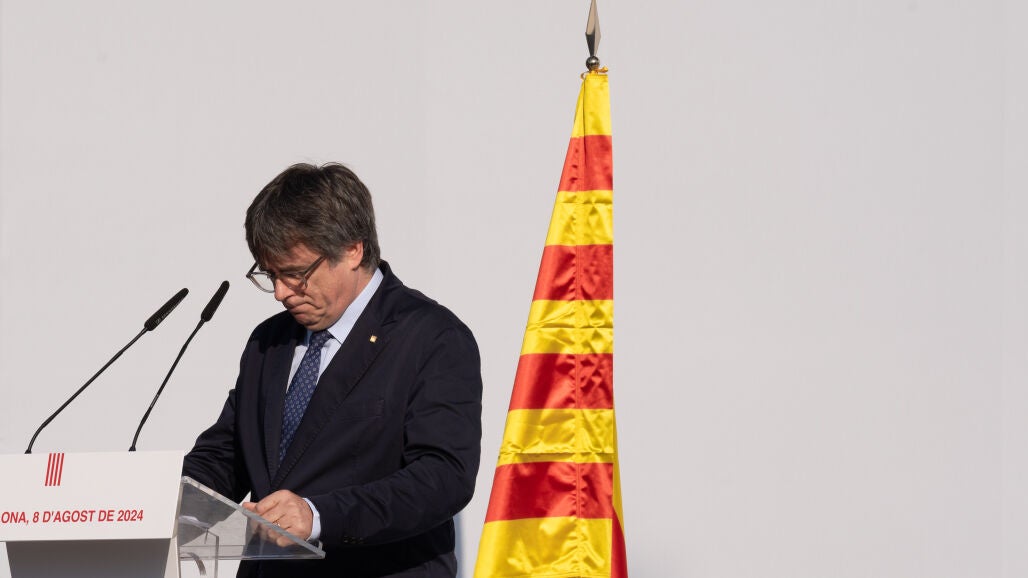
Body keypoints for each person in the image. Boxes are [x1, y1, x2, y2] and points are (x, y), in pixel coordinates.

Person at [184, 162, 483, 578]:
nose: (280, 293)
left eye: (295, 274)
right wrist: (159, 499)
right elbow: (227, 455)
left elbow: (442, 478)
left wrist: (318, 515)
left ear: (353, 249)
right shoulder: (269, 342)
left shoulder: (431, 337)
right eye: (270, 274)